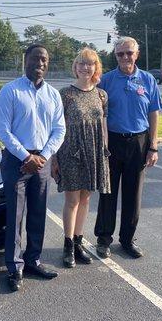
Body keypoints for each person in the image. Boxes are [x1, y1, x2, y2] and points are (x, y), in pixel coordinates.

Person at [0, 44, 66, 292]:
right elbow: (3, 130)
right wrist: (26, 156)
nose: (40, 63)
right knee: (15, 216)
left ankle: (33, 260)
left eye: (44, 59)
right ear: (25, 59)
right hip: (17, 162)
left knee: (38, 213)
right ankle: (14, 268)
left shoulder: (53, 95)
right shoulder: (10, 91)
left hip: (42, 163)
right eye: (35, 58)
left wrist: (44, 156)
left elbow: (59, 129)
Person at [94, 36, 162, 259]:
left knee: (133, 194)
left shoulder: (148, 80)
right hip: (112, 141)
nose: (125, 57)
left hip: (138, 142)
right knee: (108, 192)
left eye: (129, 53)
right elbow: (96, 113)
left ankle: (127, 239)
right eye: (120, 54)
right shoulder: (105, 81)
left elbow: (154, 113)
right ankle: (104, 239)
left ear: (137, 54)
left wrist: (153, 146)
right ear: (115, 56)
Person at [51, 48, 111, 268]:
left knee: (86, 200)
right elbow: (56, 128)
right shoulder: (65, 94)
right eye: (81, 63)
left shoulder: (101, 95)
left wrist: (104, 152)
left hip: (94, 152)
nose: (86, 67)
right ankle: (67, 245)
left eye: (90, 63)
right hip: (70, 153)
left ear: (96, 67)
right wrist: (54, 159)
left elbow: (102, 126)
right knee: (72, 200)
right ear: (75, 67)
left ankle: (78, 242)